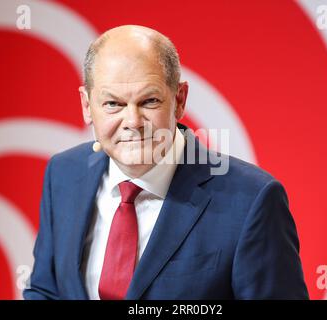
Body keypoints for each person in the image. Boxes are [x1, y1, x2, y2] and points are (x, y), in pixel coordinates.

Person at [23, 25, 309, 300]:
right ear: (87, 106)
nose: (133, 122)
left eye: (149, 101)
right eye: (113, 104)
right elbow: (45, 290)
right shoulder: (63, 174)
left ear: (179, 100)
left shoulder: (251, 200)